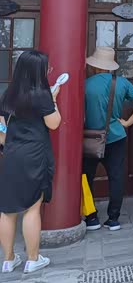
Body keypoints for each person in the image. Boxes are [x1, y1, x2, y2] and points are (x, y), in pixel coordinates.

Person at [0, 51, 61, 274]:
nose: (48, 70)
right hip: (34, 154)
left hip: (12, 154)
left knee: (7, 210)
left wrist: (8, 145)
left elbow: (1, 131)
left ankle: (8, 260)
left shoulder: (8, 94)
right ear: (38, 71)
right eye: (46, 67)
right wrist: (54, 99)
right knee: (32, 208)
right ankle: (33, 259)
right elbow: (54, 123)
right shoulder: (42, 95)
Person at [84, 47, 133, 231]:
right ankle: (113, 219)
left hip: (90, 137)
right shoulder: (121, 82)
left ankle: (91, 217)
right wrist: (127, 122)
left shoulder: (85, 84)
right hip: (116, 136)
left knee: (86, 177)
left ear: (95, 66)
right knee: (116, 177)